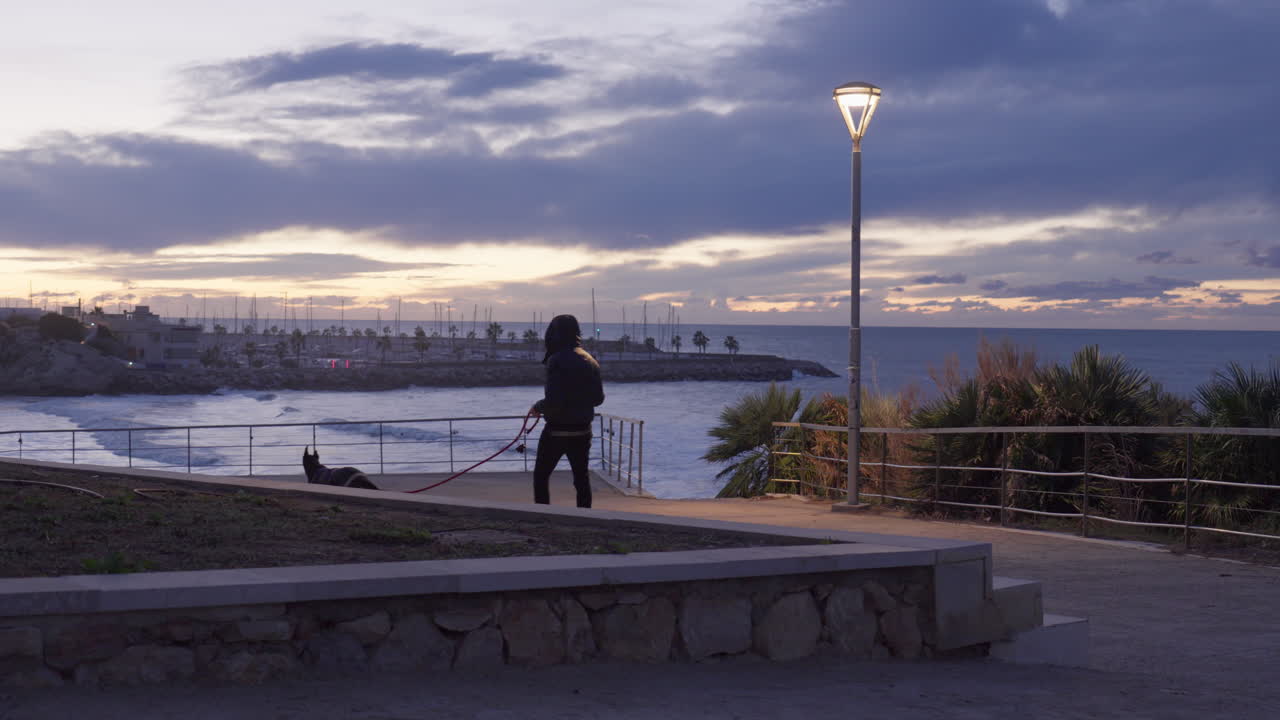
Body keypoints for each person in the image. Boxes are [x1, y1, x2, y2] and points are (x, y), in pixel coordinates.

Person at [529, 314, 604, 508]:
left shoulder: (556, 360)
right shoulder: (591, 360)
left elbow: (554, 400)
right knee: (581, 478)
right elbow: (598, 399)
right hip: (583, 430)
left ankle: (544, 513)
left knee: (541, 476)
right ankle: (585, 517)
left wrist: (538, 407)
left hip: (557, 430)